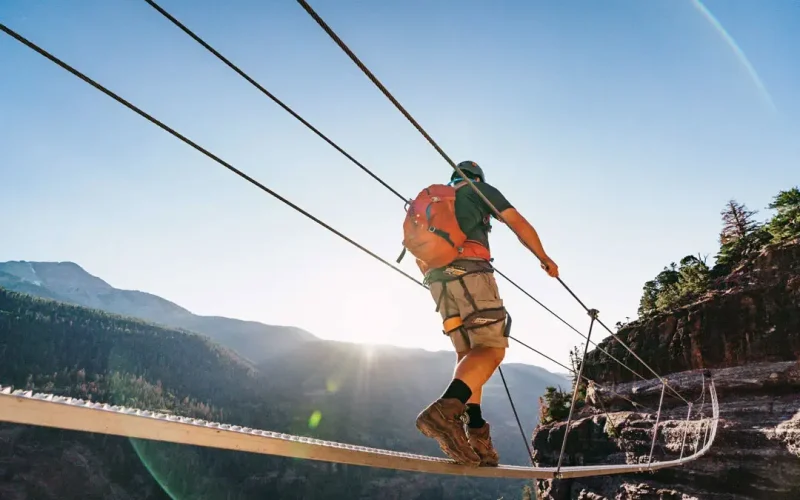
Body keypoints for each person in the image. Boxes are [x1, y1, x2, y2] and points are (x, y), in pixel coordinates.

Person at [413, 161, 559, 467]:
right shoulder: (476, 187)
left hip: (438, 283)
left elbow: (418, 251)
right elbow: (517, 223)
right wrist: (543, 258)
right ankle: (445, 412)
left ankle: (476, 432)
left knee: (468, 356)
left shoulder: (432, 204)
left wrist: (437, 281)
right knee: (491, 350)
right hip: (471, 274)